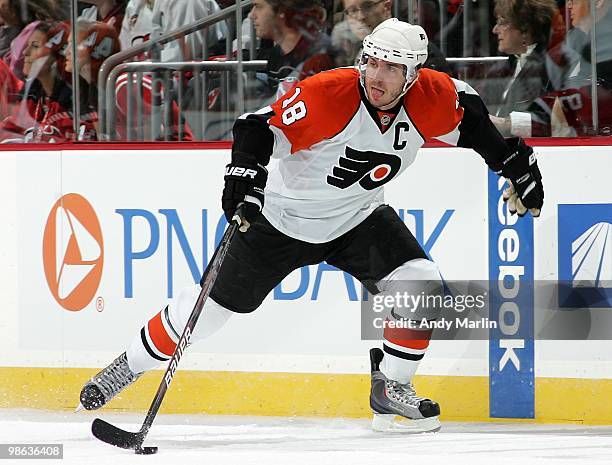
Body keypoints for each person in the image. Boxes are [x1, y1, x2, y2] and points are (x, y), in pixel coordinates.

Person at [78, 18, 544, 433]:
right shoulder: (330, 93)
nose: (377, 76)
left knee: (423, 288)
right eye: (373, 62)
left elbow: (476, 126)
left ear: (413, 76)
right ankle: (126, 367)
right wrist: (245, 177)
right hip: (280, 221)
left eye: (392, 68)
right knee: (201, 317)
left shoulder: (432, 98)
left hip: (357, 218)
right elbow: (255, 127)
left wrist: (514, 165)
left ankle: (391, 390)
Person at [0, 21, 90, 142]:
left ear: (56, 55)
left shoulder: (74, 99)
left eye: (35, 46)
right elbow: (11, 129)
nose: (25, 52)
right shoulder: (32, 92)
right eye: (28, 45)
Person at [484, 0, 558, 137]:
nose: (495, 29)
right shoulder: (501, 69)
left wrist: (506, 124)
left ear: (524, 30)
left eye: (502, 22)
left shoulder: (545, 69)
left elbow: (547, 123)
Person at [249, 0, 335, 101]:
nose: (251, 15)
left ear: (281, 10)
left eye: (258, 7)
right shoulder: (276, 53)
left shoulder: (319, 54)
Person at [333, 0, 451, 73]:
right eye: (352, 10)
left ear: (387, 7)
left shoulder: (417, 49)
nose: (360, 16)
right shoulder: (350, 48)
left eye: (368, 6)